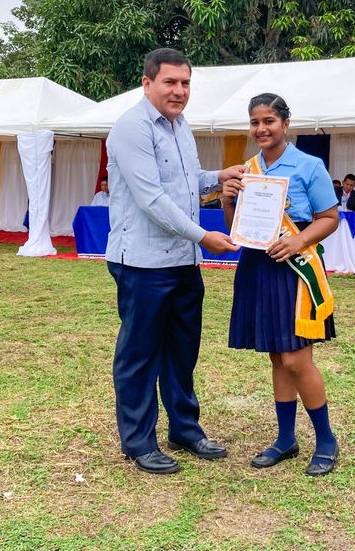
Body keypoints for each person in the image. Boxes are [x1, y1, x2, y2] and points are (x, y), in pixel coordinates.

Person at [105, 48, 245, 475]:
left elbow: (186, 183)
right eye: (170, 82)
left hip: (183, 261)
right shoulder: (131, 128)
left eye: (185, 83)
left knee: (183, 351)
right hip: (143, 263)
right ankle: (138, 442)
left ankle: (184, 429)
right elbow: (152, 199)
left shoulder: (181, 126)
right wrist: (204, 236)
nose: (179, 91)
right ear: (147, 83)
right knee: (140, 354)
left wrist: (219, 176)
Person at [223, 93, 340, 476]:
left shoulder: (309, 165)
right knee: (277, 355)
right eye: (255, 122)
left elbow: (330, 218)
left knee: (296, 358)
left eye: (269, 121)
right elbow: (235, 227)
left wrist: (298, 241)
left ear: (285, 124)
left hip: (294, 267)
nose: (261, 129)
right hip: (258, 266)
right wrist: (228, 201)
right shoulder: (246, 169)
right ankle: (286, 439)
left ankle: (326, 440)